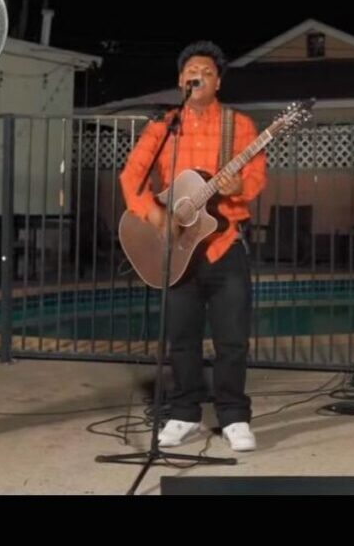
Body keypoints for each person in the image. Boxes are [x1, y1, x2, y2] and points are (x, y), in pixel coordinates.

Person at [119, 41, 267, 452]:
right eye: (188, 70)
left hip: (224, 245)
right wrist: (154, 215)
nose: (194, 74)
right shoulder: (163, 127)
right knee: (181, 338)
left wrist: (239, 185)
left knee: (232, 339)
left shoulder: (239, 126)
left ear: (217, 81)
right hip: (177, 249)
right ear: (180, 81)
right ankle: (185, 414)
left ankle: (234, 417)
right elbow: (132, 179)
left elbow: (255, 178)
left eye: (203, 69)